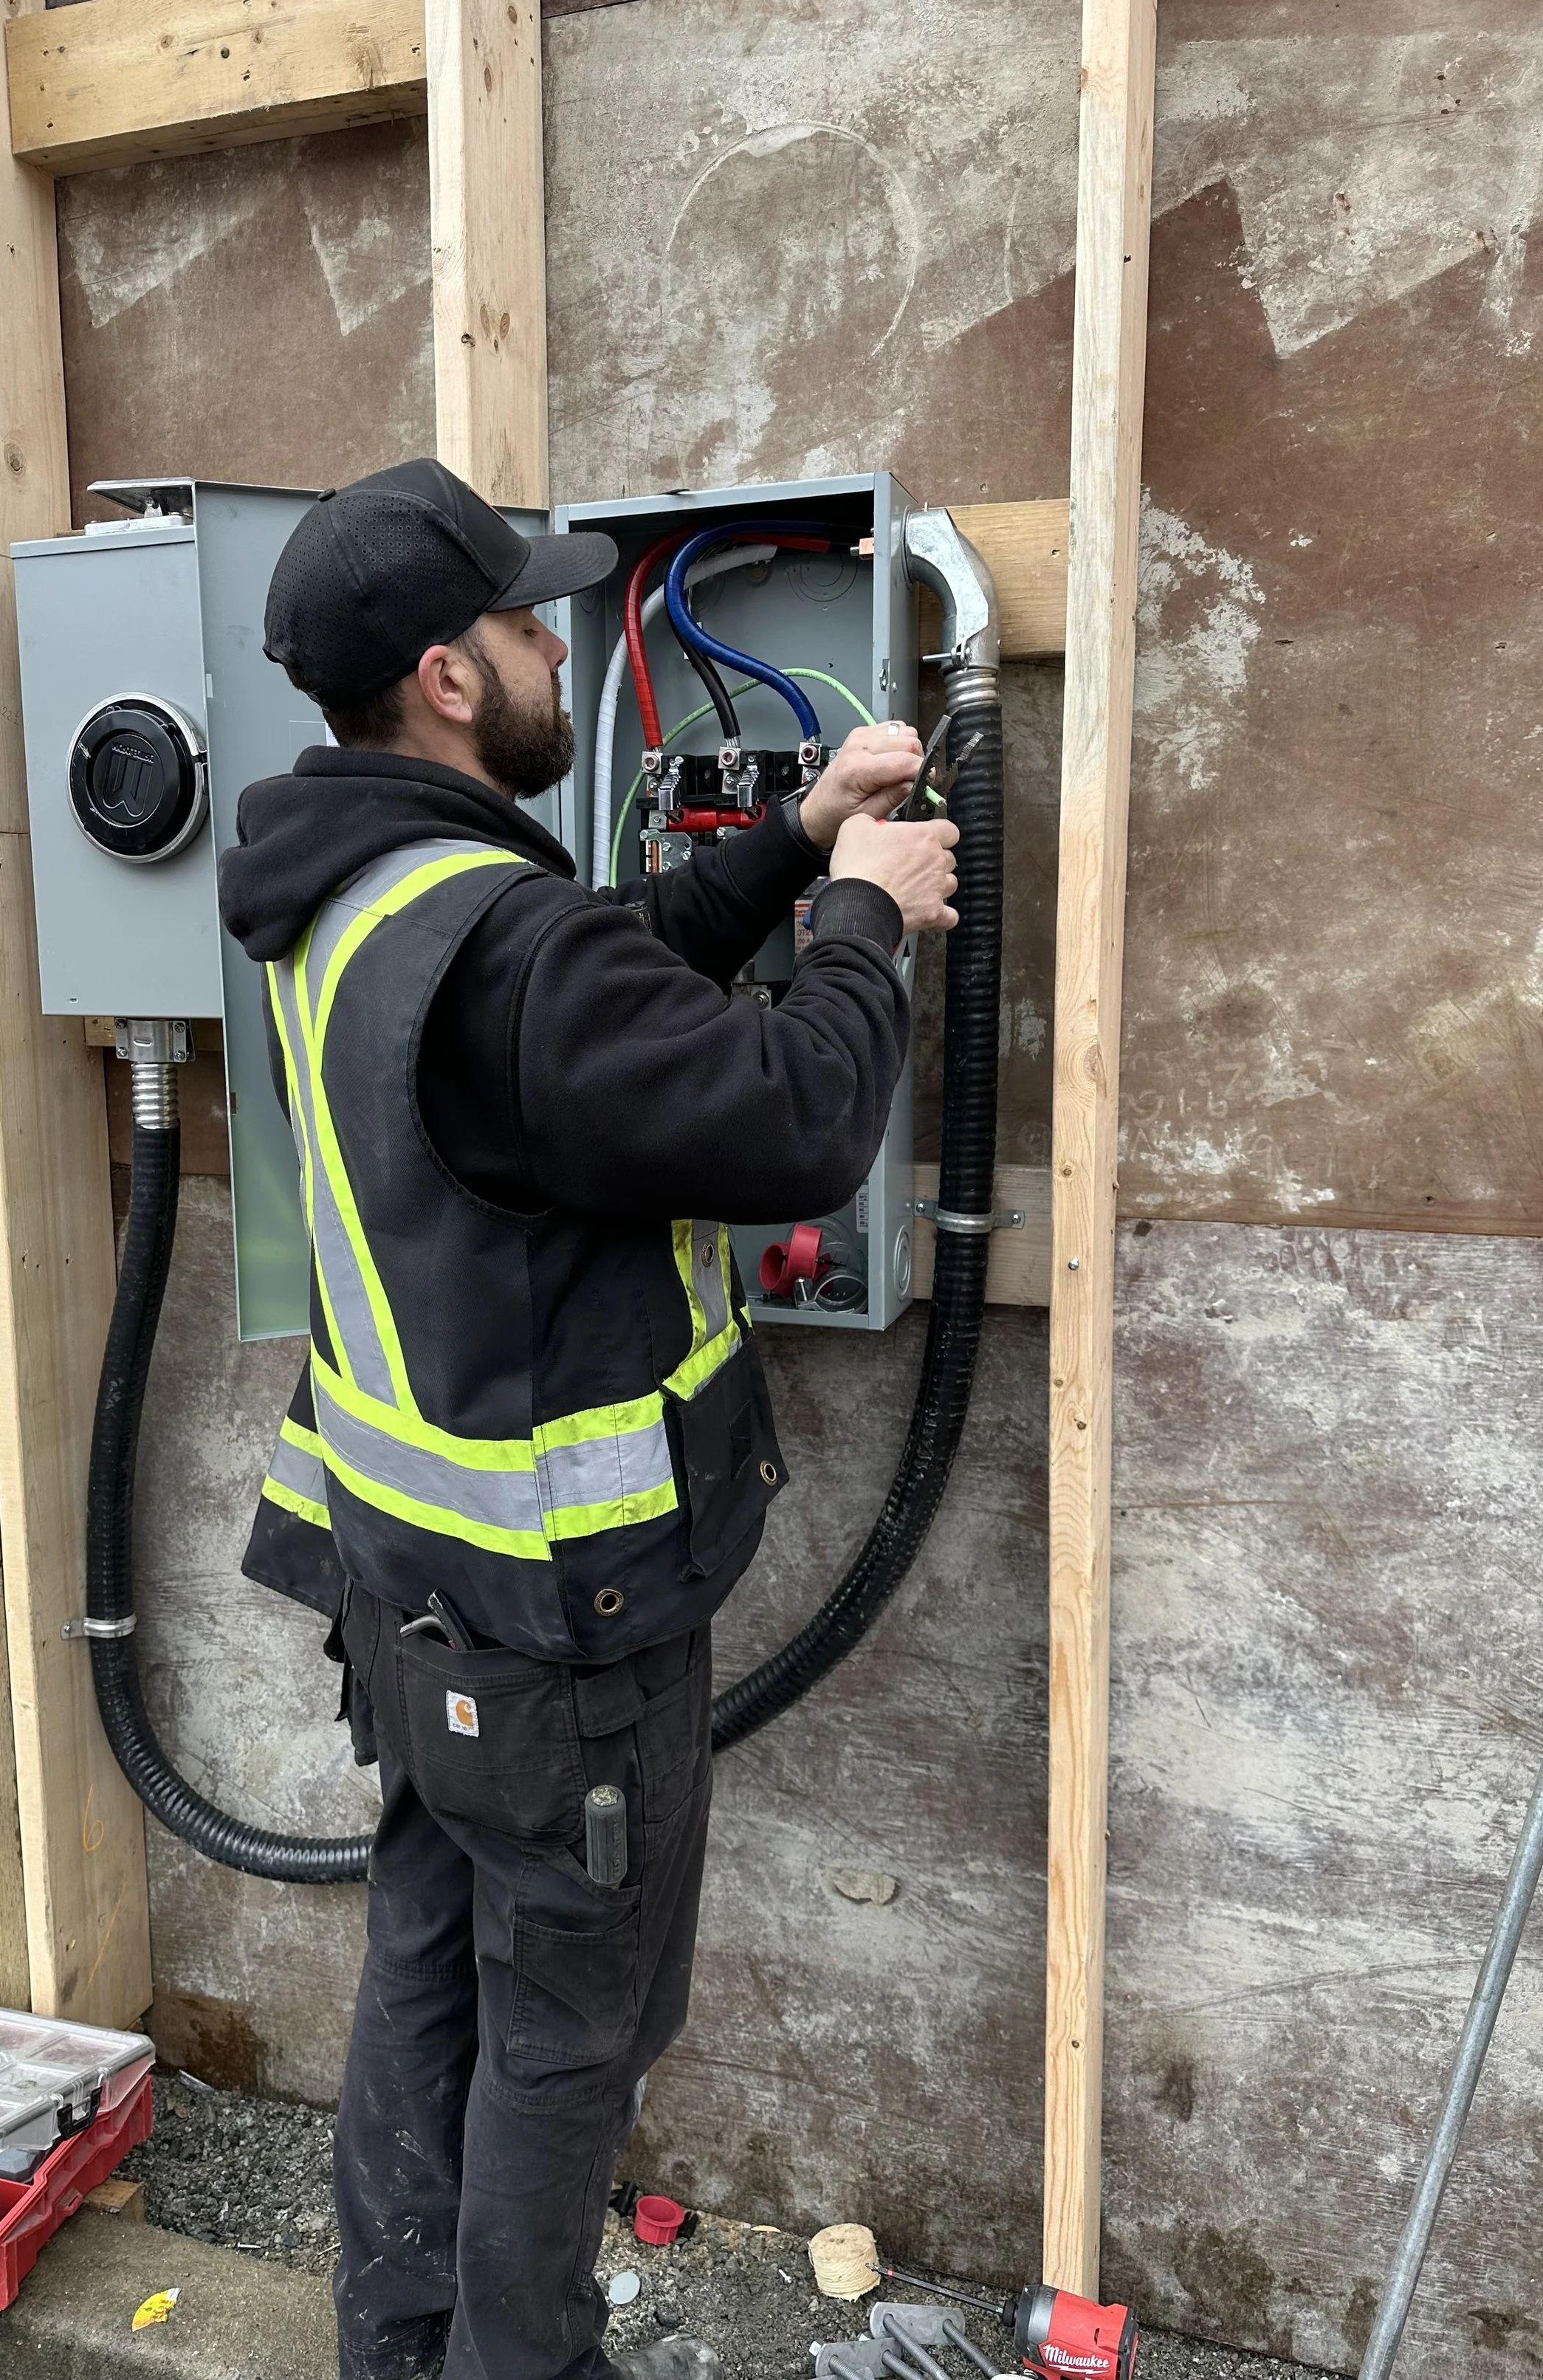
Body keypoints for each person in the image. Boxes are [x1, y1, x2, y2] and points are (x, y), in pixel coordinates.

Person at [218, 458, 958, 2380]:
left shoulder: (358, 894)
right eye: (529, 626)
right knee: (572, 2031)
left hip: (414, 1596)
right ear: (451, 678)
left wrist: (792, 842)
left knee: (430, 1975)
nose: (564, 654)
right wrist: (865, 925)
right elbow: (791, 1117)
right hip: (565, 1628)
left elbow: (596, 1004)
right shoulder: (504, 942)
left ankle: (402, 2346)